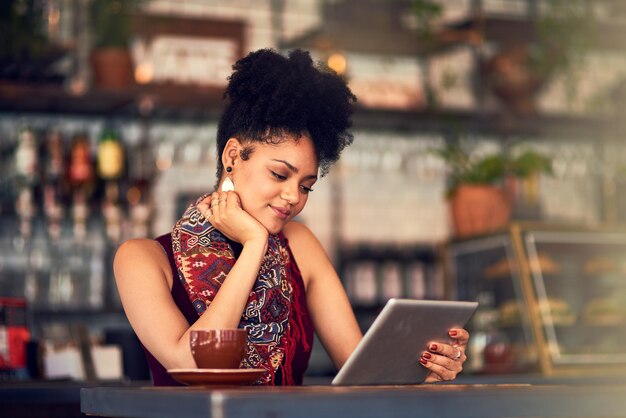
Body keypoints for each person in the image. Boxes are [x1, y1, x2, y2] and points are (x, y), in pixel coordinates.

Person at [113, 48, 470, 386]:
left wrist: (427, 374)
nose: (293, 198)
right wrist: (254, 245)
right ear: (233, 156)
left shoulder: (299, 245)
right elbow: (193, 365)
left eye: (306, 186)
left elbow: (365, 376)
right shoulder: (141, 258)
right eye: (280, 175)